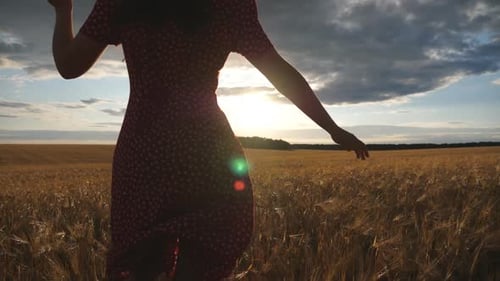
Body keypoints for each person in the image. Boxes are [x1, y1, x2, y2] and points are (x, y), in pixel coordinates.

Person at [48, 0, 369, 280]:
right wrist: (331, 128)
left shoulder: (121, 2)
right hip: (206, 153)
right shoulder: (229, 3)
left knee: (140, 264)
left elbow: (69, 65)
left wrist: (65, 9)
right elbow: (278, 71)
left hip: (143, 152)